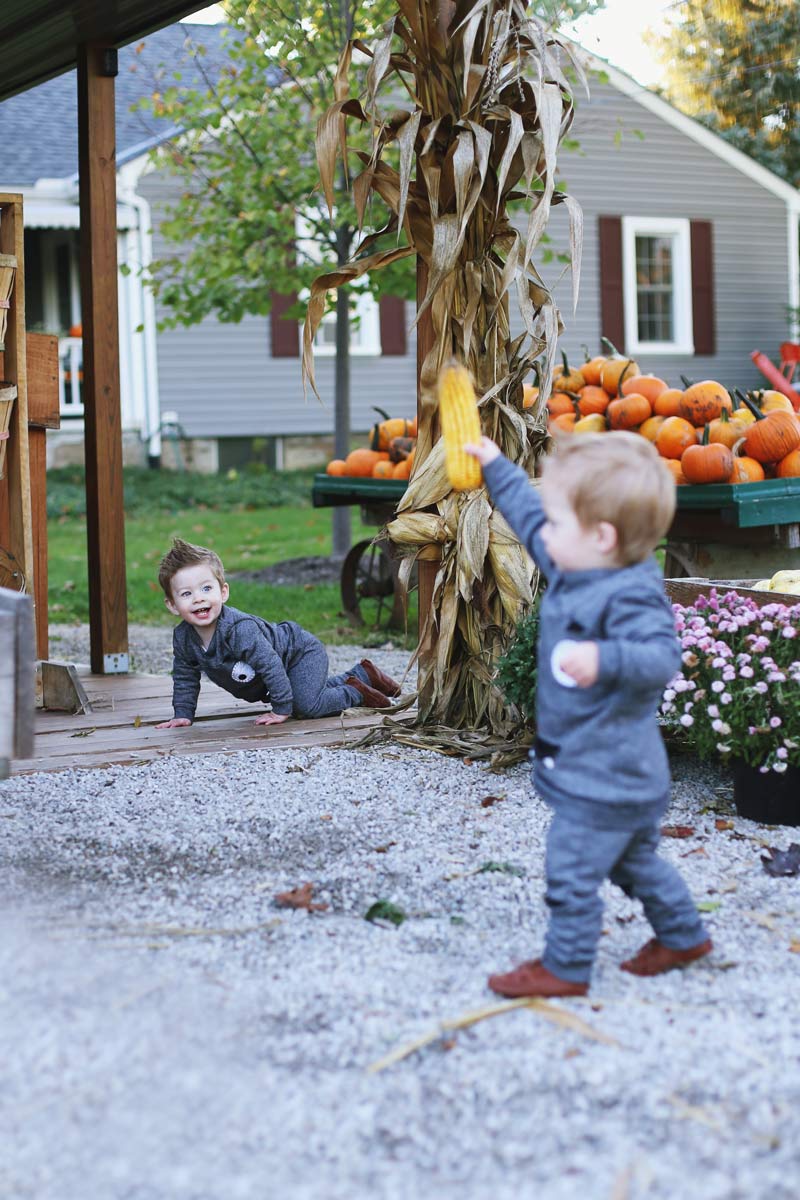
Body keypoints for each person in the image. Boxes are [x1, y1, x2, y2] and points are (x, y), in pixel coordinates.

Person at [464, 431, 711, 997]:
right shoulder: (579, 559)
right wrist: (496, 466)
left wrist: (603, 658)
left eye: (558, 523)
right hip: (620, 775)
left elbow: (661, 656)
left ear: (602, 537)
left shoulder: (631, 593)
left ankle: (566, 966)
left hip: (606, 774)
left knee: (571, 866)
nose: (544, 534)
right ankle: (684, 934)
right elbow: (530, 515)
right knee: (632, 862)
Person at [155, 538, 401, 729]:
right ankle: (363, 674)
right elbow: (185, 676)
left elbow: (271, 664)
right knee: (302, 693)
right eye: (186, 594)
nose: (199, 598)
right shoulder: (184, 638)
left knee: (304, 706)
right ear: (173, 605)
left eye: (206, 588)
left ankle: (356, 693)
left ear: (223, 592)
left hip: (299, 653)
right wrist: (183, 714)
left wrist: (281, 709)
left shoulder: (240, 631)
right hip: (285, 666)